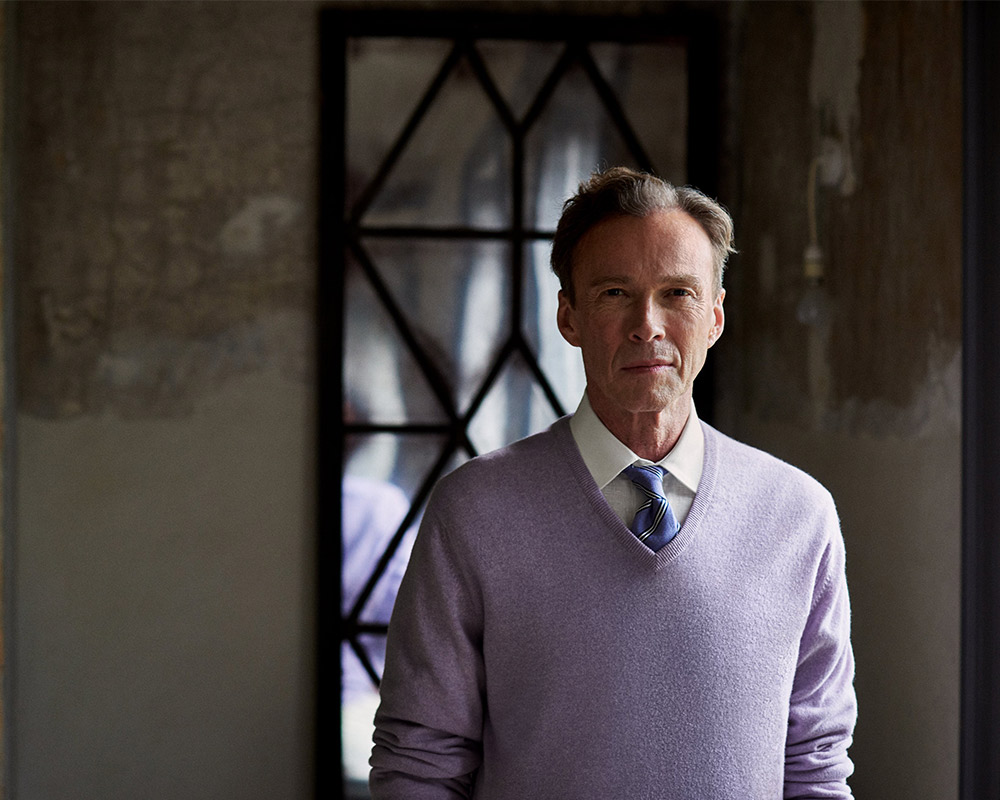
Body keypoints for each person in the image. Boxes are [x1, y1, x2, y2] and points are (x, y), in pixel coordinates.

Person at [369, 167, 857, 799]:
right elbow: (420, 765)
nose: (647, 325)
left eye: (677, 293)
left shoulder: (799, 516)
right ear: (568, 317)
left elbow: (815, 762)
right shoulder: (475, 513)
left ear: (714, 316)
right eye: (614, 294)